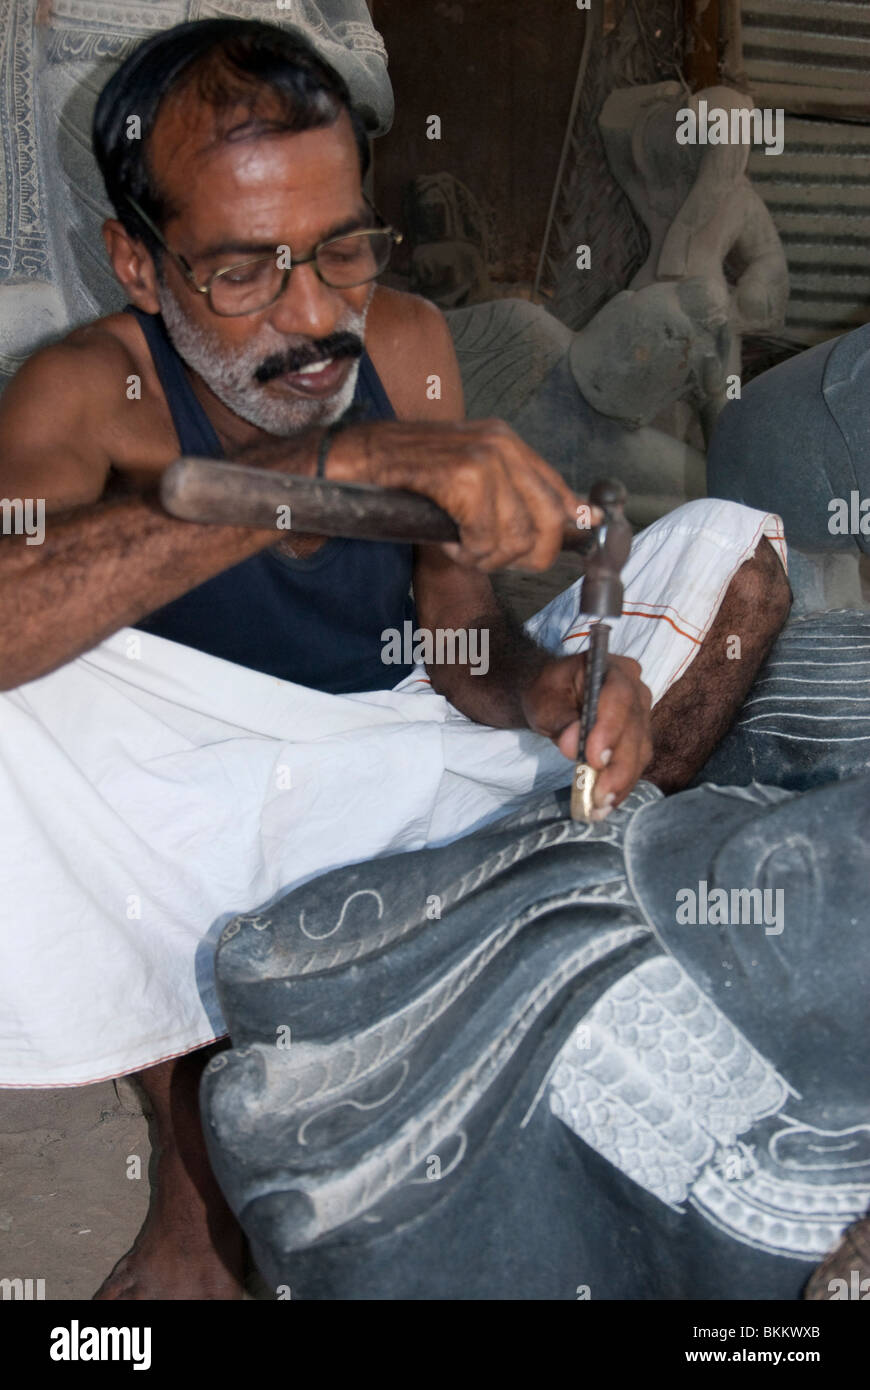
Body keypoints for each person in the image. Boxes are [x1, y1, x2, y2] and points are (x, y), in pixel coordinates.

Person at [0, 18, 791, 1299]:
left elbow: (459, 638)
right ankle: (199, 1176)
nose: (317, 314)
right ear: (137, 263)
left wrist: (543, 688)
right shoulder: (82, 390)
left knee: (731, 548)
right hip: (183, 812)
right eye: (245, 272)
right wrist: (334, 462)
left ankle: (520, 943)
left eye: (342, 250)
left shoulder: (410, 345)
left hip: (394, 760)